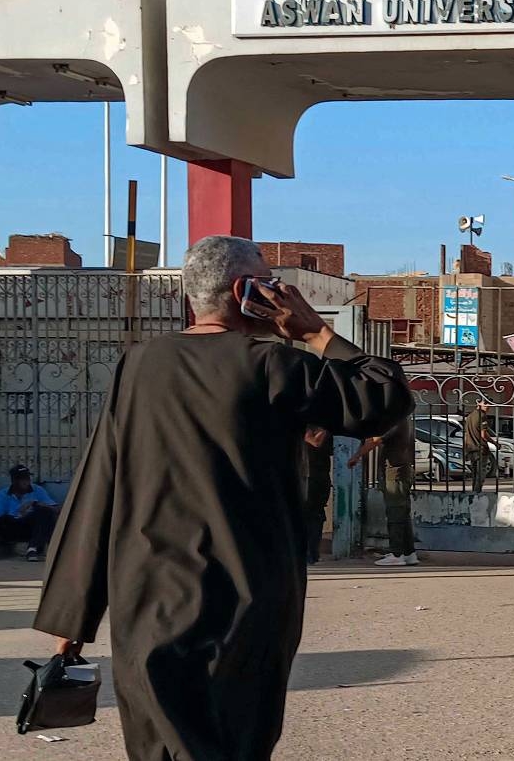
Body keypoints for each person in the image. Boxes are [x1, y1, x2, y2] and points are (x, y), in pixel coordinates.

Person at [32, 235, 412, 761]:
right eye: (271, 284)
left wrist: (70, 625)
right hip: (245, 604)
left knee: (160, 747)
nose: (279, 294)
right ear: (244, 290)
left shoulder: (139, 367)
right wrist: (317, 332)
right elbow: (385, 397)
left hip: (147, 600)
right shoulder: (276, 366)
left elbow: (99, 485)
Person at [354, 416, 419, 567]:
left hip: (395, 472)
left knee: (395, 513)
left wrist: (356, 455)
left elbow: (375, 440)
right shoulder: (404, 418)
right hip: (401, 470)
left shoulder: (394, 419)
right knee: (402, 513)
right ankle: (409, 553)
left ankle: (397, 554)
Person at [0, 465, 59, 562]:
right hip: (10, 526)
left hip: (29, 527)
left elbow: (55, 509)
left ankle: (32, 549)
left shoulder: (37, 490)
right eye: (23, 479)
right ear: (14, 481)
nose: (27, 481)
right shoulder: (3, 494)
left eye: (28, 478)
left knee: (44, 511)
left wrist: (35, 503)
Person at [302, 427, 333, 565]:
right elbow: (317, 442)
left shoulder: (318, 427)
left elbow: (318, 443)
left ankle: (311, 553)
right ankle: (311, 553)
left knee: (314, 514)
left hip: (314, 476)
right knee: (312, 515)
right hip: (312, 475)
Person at [462, 399, 498, 492]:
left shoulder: (469, 416)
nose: (488, 405)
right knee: (480, 474)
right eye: (485, 403)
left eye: (489, 403)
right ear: (478, 403)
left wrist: (466, 450)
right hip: (480, 449)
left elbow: (466, 434)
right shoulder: (482, 416)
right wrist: (495, 443)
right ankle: (477, 493)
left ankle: (474, 491)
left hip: (471, 448)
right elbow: (483, 435)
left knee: (475, 473)